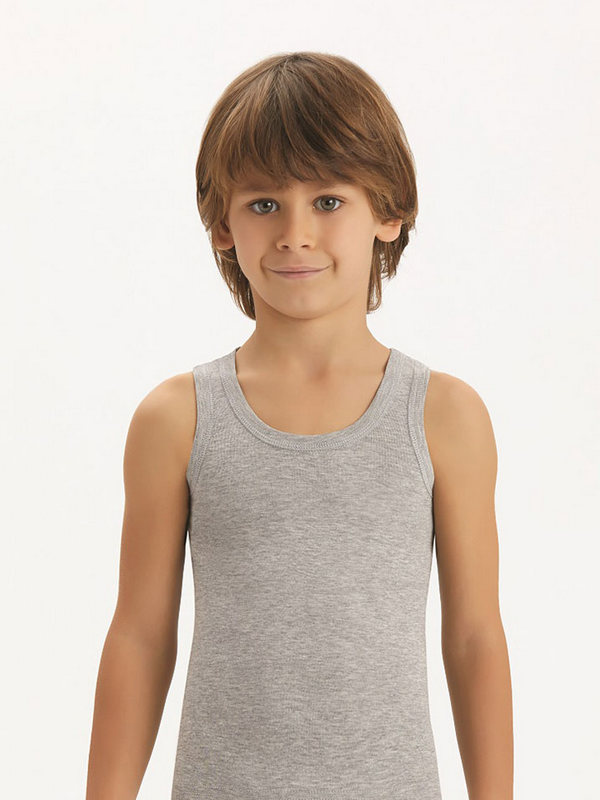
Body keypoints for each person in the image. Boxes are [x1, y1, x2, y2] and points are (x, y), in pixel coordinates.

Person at [86, 51, 513, 800]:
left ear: (389, 212)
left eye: (328, 200)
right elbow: (140, 637)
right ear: (221, 224)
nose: (294, 233)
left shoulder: (443, 417)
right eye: (263, 204)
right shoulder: (178, 419)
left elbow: (475, 638)